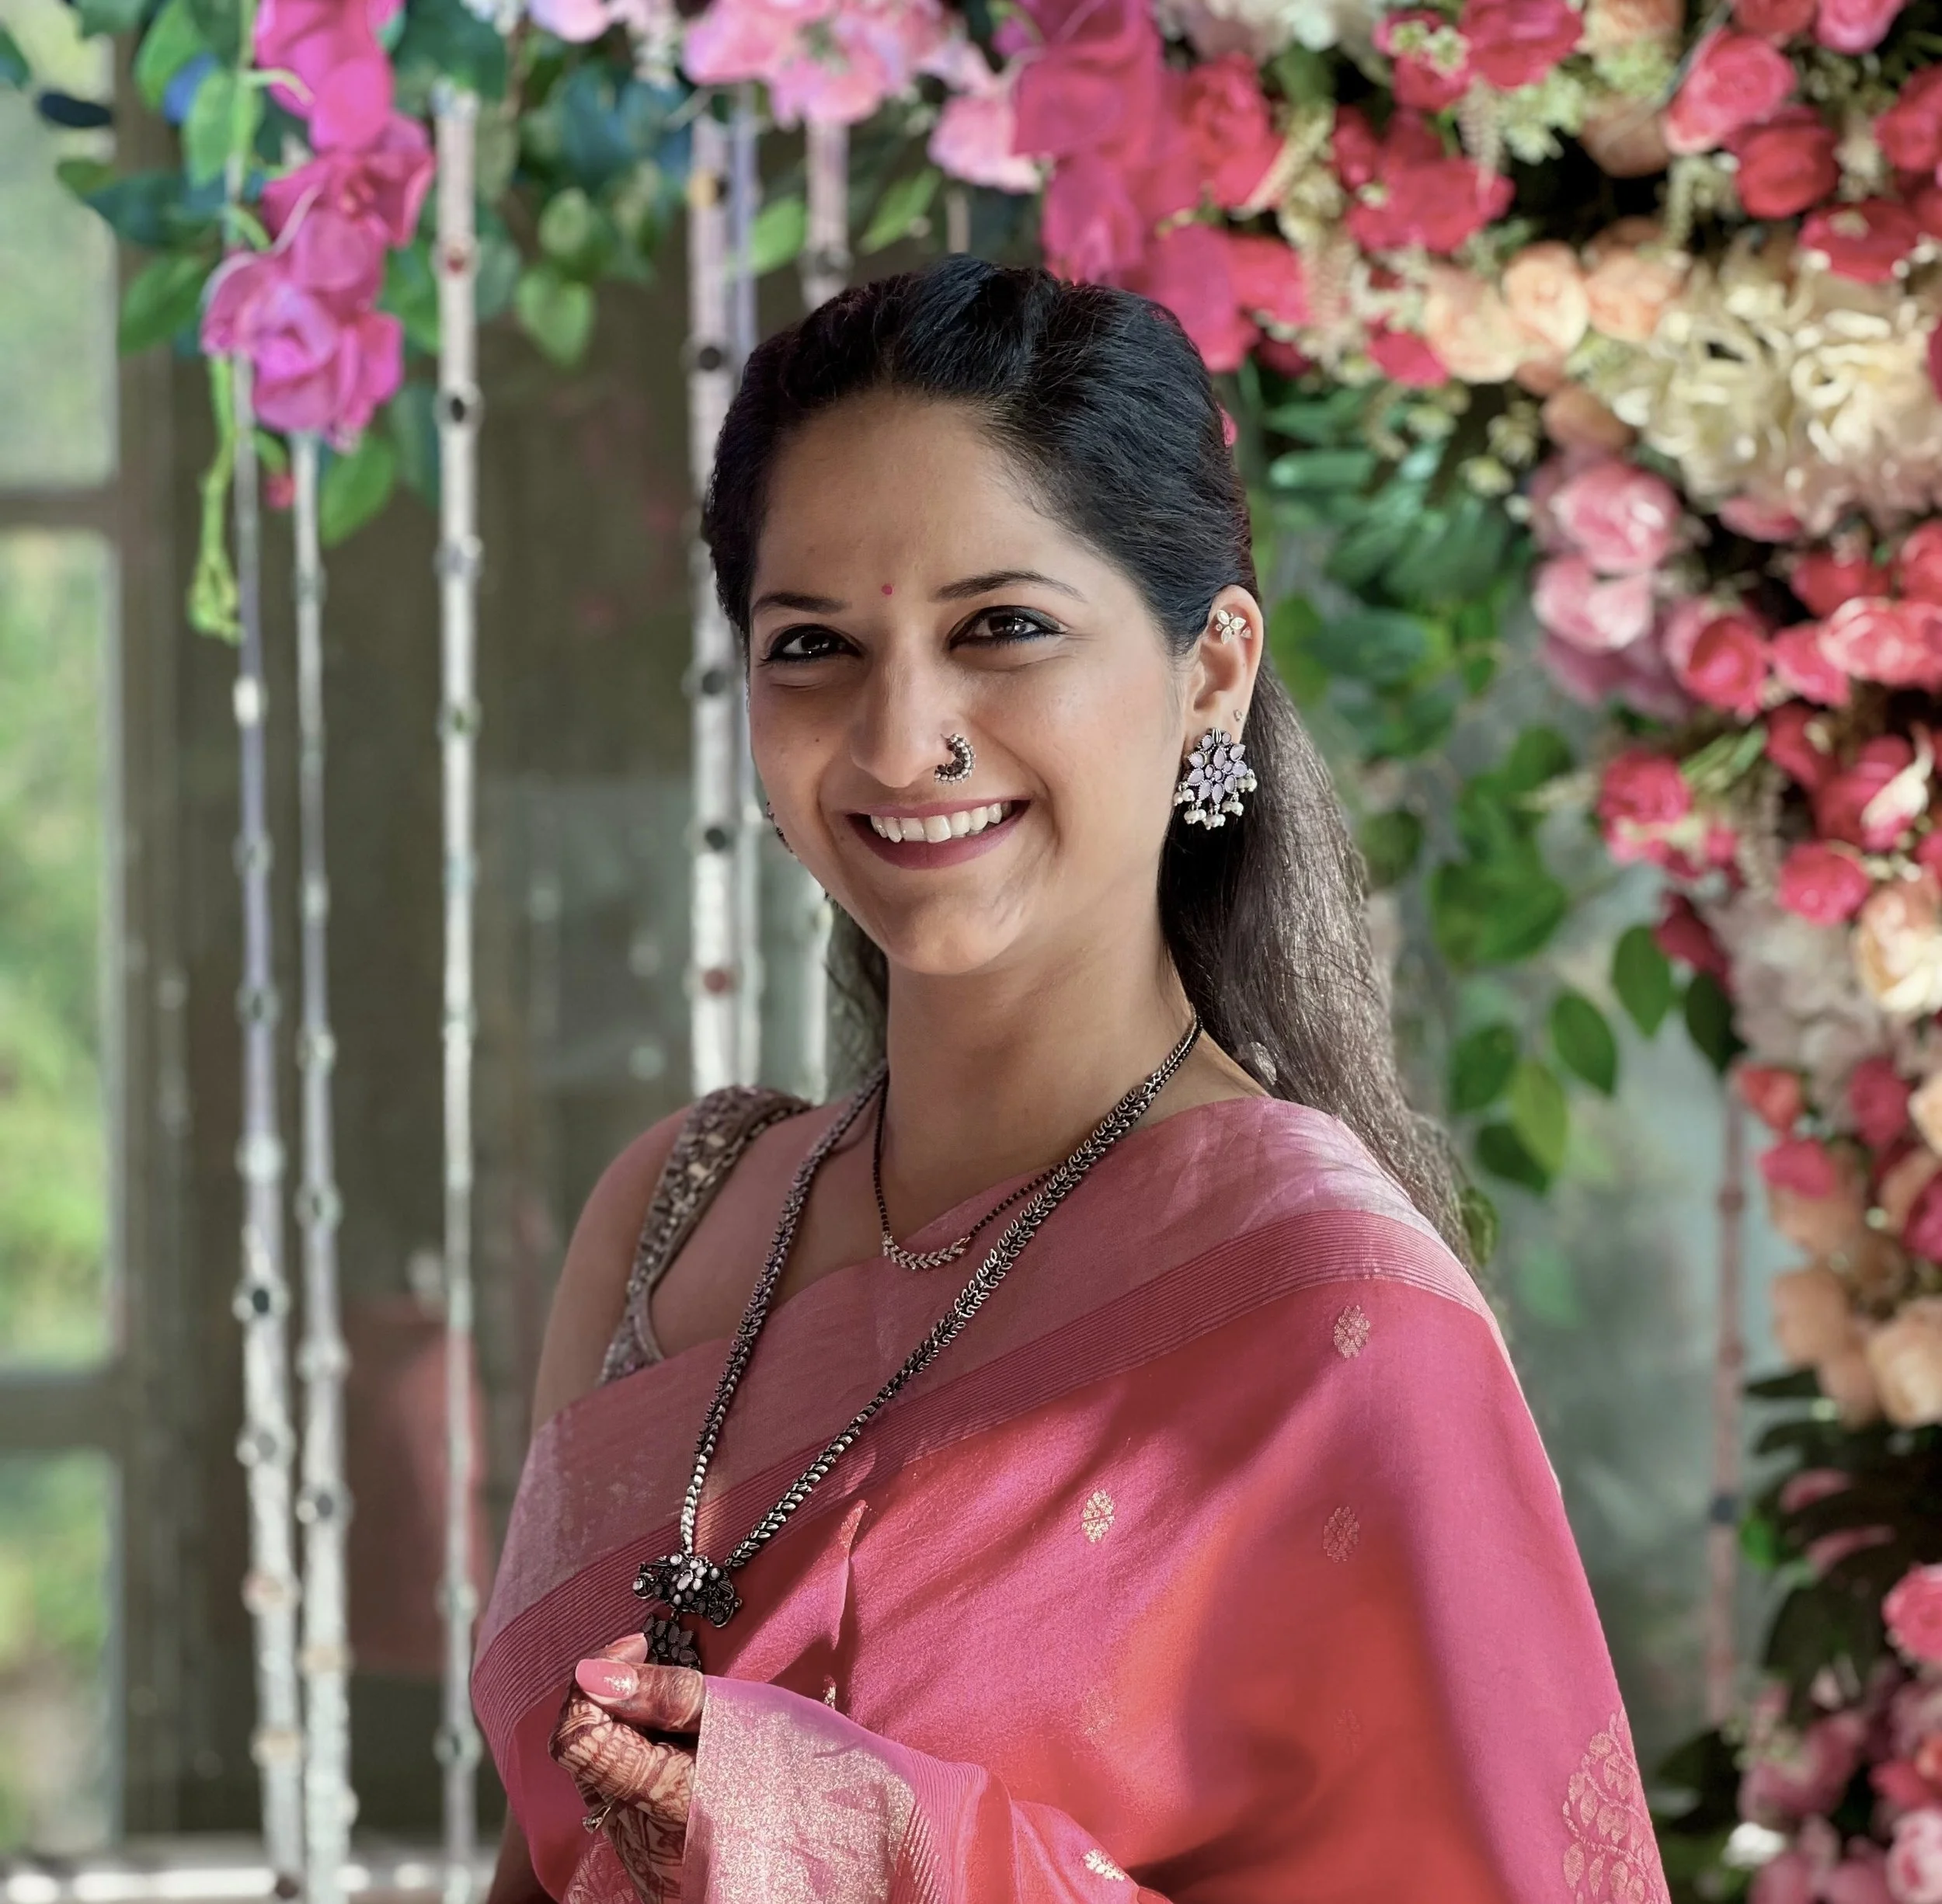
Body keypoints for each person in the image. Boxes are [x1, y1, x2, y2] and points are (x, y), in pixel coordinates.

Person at [476, 257, 1668, 1904]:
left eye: (1003, 628)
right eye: (811, 643)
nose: (900, 738)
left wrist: (842, 1841)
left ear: (1210, 671)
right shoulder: (670, 1217)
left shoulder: (1328, 1309)